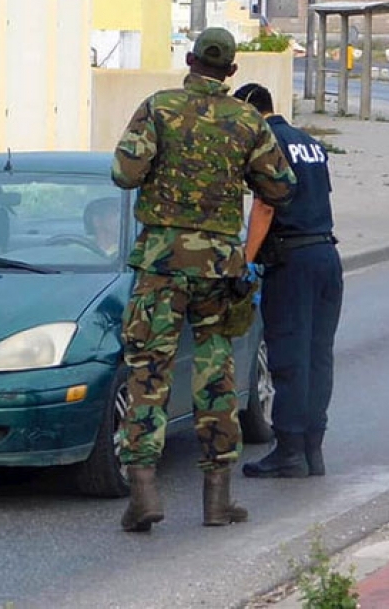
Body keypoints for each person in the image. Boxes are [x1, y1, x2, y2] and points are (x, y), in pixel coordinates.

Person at [110, 27, 297, 533]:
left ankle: (144, 490)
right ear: (232, 71)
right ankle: (218, 500)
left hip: (161, 264)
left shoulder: (159, 108)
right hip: (218, 266)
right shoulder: (245, 120)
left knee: (148, 371)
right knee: (216, 377)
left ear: (189, 60)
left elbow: (125, 174)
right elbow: (281, 185)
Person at [236, 82, 343, 479]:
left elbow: (265, 206)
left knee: (289, 357)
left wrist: (245, 260)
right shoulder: (308, 141)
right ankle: (313, 449)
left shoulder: (269, 142)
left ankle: (290, 451)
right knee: (318, 356)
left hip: (293, 260)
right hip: (326, 256)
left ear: (249, 111)